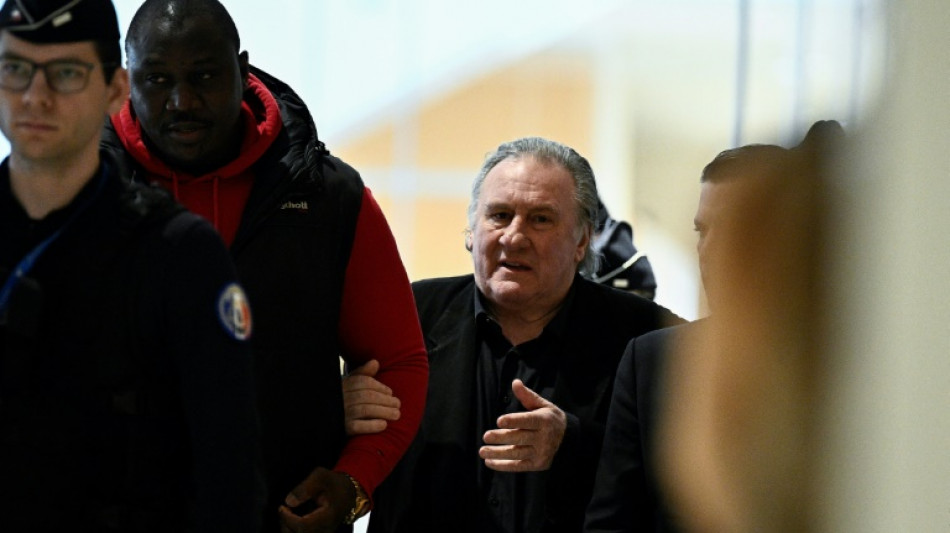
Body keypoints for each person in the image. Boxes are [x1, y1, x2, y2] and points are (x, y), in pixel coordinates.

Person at [100, 1, 429, 531]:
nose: (181, 101)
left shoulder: (328, 197)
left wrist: (353, 483)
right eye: (157, 79)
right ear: (125, 80)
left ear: (241, 68)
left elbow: (400, 363)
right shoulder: (71, 195)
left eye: (204, 75)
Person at [0, 0, 263, 531]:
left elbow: (229, 478)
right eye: (15, 69)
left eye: (66, 73)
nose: (34, 96)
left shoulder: (178, 253)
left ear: (115, 90)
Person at [366, 136, 682, 533]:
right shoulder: (407, 316)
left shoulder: (653, 339)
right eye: (499, 215)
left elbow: (686, 481)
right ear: (471, 230)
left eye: (541, 219)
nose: (514, 237)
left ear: (582, 240)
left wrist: (574, 444)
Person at [584, 120, 843, 533]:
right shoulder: (651, 360)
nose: (711, 250)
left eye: (733, 231)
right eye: (702, 231)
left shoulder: (847, 367)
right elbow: (611, 522)